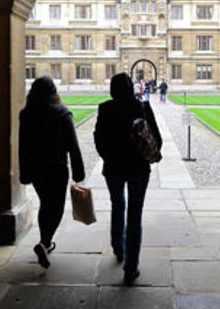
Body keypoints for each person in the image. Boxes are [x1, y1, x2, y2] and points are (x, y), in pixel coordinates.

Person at [94, 73, 163, 285]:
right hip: (138, 169)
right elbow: (157, 140)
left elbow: (98, 138)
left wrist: (107, 157)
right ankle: (131, 268)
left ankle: (118, 246)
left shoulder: (105, 108)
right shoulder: (141, 107)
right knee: (134, 215)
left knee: (117, 205)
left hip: (113, 167)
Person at [19, 75, 86, 269]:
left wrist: (25, 172)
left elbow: (23, 146)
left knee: (45, 204)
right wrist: (78, 172)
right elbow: (73, 145)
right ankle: (45, 242)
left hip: (37, 167)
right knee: (55, 207)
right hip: (56, 167)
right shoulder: (62, 113)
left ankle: (44, 242)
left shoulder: (26, 113)